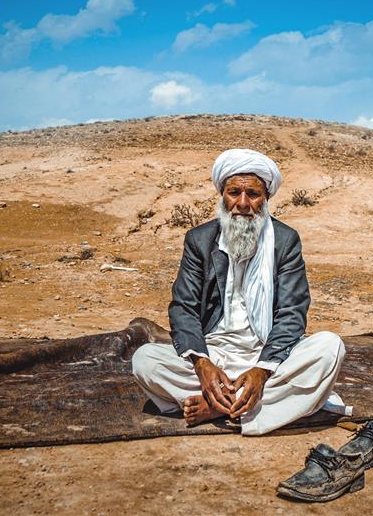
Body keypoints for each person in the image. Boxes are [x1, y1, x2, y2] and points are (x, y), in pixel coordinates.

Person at [131, 148, 349, 435]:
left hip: (267, 353)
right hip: (214, 352)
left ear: (266, 198)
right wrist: (202, 364)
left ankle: (219, 406)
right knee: (145, 360)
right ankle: (252, 404)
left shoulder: (285, 241)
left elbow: (292, 314)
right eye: (234, 192)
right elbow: (183, 307)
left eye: (253, 195)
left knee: (329, 348)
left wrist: (262, 370)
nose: (242, 203)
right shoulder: (199, 240)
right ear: (223, 194)